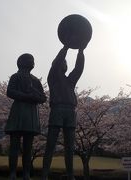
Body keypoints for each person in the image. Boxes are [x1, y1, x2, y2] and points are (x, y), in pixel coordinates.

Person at [42, 46, 85, 180]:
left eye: (66, 62)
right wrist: (65, 48)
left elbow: (78, 69)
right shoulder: (53, 77)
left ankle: (70, 174)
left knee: (70, 146)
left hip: (70, 111)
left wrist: (81, 52)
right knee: (51, 144)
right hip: (57, 109)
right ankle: (44, 175)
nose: (64, 63)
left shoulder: (70, 80)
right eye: (62, 62)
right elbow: (55, 64)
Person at [5, 53, 46, 180]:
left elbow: (43, 98)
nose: (32, 62)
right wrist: (27, 96)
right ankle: (12, 172)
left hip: (31, 113)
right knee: (14, 145)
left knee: (28, 146)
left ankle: (26, 173)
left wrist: (34, 94)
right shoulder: (15, 76)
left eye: (33, 60)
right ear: (21, 62)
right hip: (19, 111)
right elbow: (10, 92)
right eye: (29, 60)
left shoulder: (35, 80)